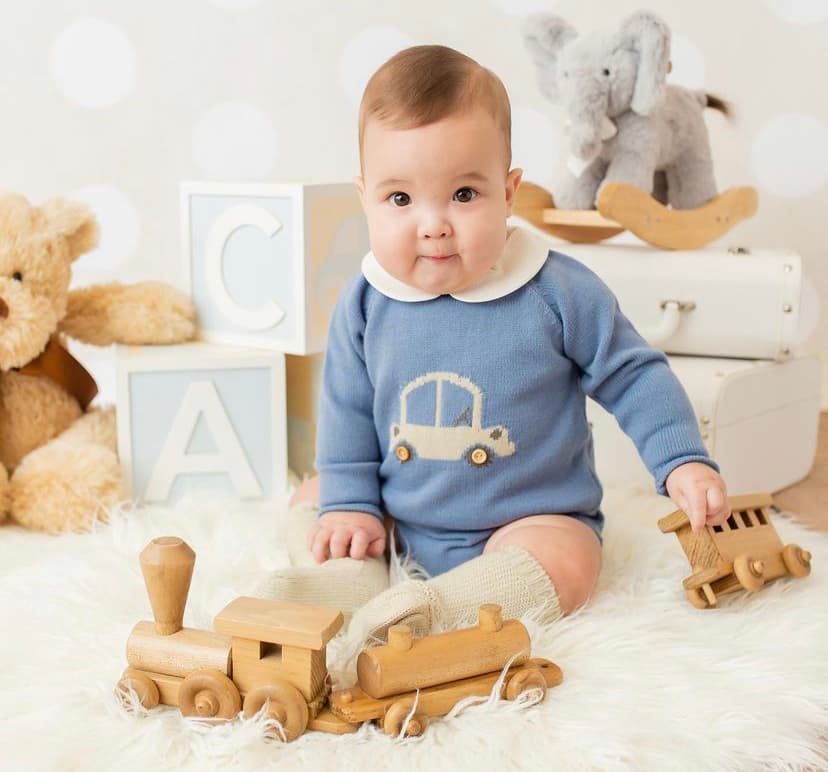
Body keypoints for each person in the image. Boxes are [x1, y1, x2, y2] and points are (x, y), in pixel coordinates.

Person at [257, 45, 730, 643]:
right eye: (400, 199)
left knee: (571, 562)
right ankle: (355, 580)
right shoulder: (366, 303)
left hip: (528, 520)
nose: (433, 224)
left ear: (508, 192)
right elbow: (347, 409)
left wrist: (681, 458)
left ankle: (444, 609)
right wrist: (350, 503)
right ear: (365, 198)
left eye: (463, 194)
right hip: (400, 517)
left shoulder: (557, 291)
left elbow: (633, 375)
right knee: (319, 495)